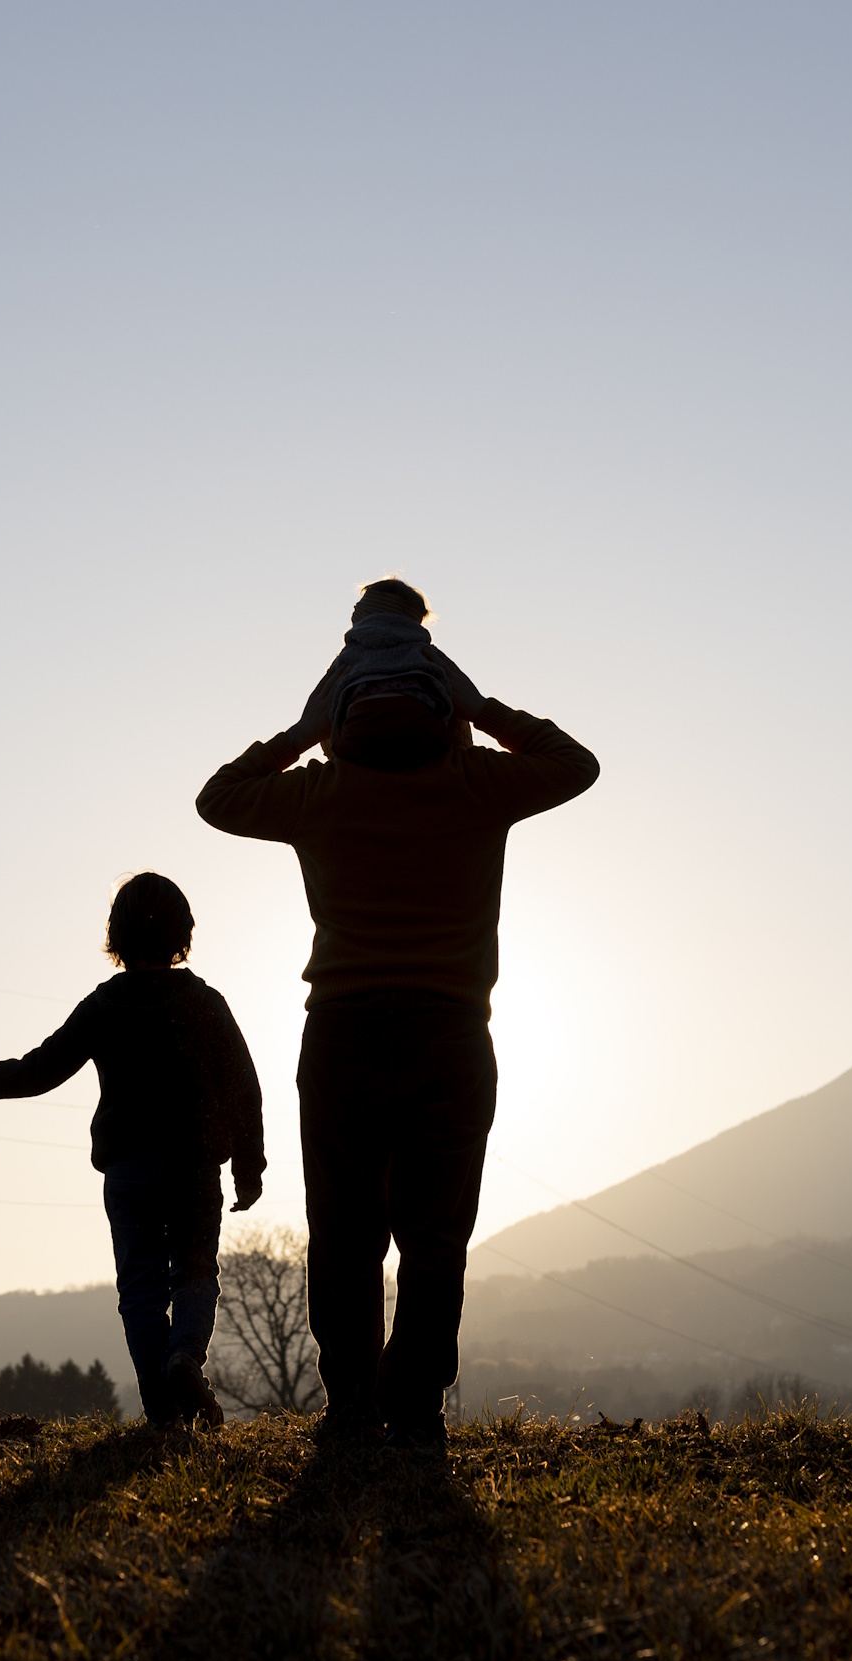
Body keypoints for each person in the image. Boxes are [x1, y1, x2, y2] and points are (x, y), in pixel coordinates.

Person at [195, 578, 600, 1455]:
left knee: (343, 1231)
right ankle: (414, 1406)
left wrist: (303, 731)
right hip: (452, 1033)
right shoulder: (474, 780)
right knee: (434, 1233)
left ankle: (350, 1407)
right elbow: (578, 765)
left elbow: (217, 797)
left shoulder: (319, 792)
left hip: (340, 1032)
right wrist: (483, 707)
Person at [0, 873, 264, 1428]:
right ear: (181, 934)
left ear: (117, 934)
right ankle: (186, 1356)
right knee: (194, 1273)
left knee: (140, 1290)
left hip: (128, 1170)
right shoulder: (204, 1002)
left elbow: (40, 1070)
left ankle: (163, 1416)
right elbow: (243, 1086)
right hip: (192, 1166)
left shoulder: (104, 1006)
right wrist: (249, 1165)